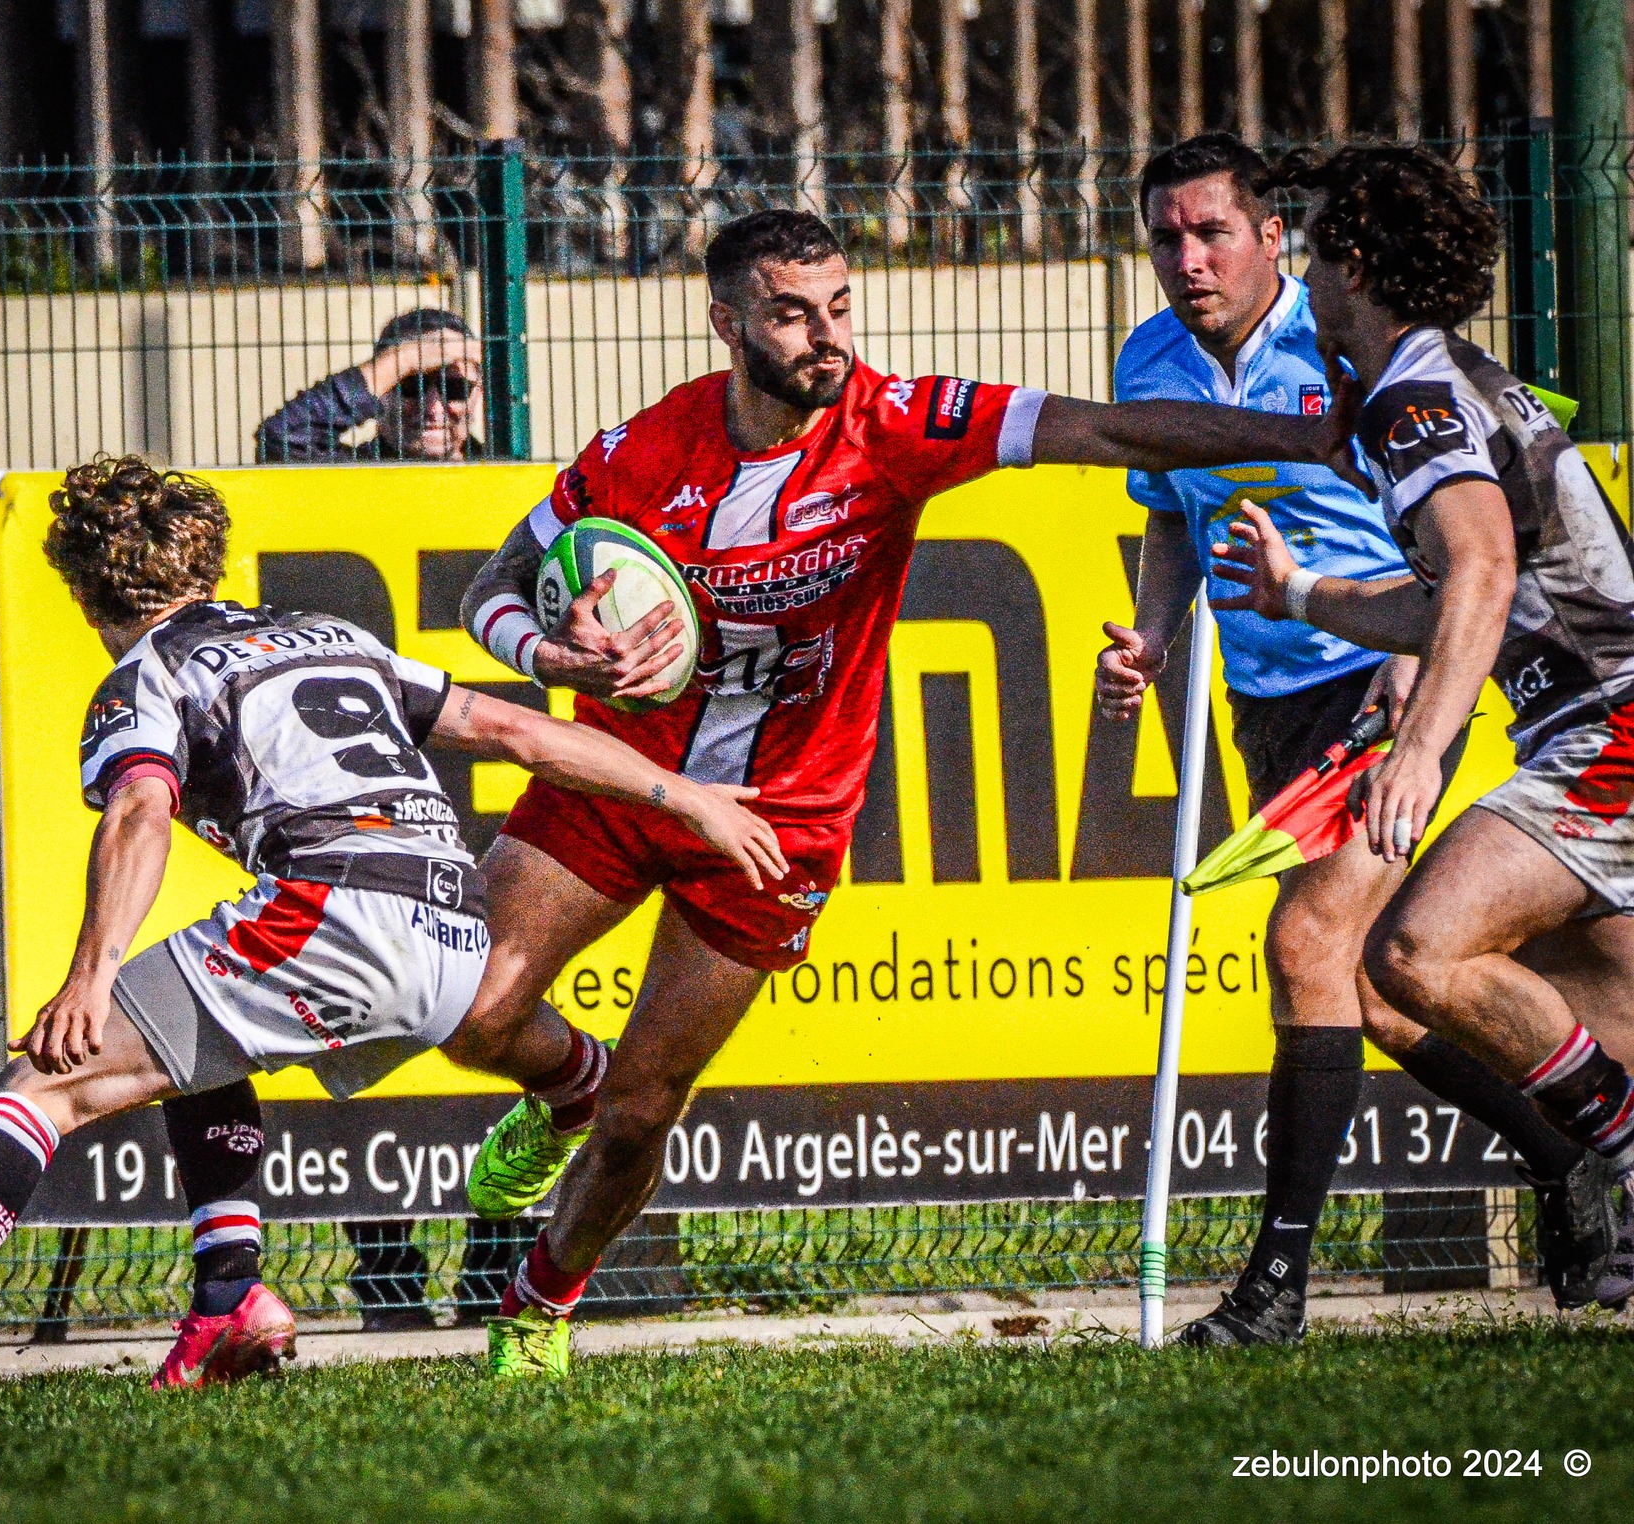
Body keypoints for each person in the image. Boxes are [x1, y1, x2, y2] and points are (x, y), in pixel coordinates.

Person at [453, 207, 1375, 1377]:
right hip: (623, 781)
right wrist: (555, 653)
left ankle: (538, 1306)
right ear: (728, 321)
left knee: (645, 1110)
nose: (824, 337)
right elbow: (502, 578)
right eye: (791, 313)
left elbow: (1104, 429)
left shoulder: (894, 424)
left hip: (775, 826)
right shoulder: (645, 448)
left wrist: (1298, 436)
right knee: (476, 1007)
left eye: (838, 307)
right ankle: (556, 1087)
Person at [0, 454, 783, 1396]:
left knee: (42, 1089)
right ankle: (249, 1282)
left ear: (87, 587)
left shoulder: (146, 672)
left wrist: (87, 976)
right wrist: (682, 793)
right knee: (196, 1043)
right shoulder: (326, 634)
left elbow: (140, 810)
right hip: (456, 924)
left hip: (333, 907)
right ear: (207, 564)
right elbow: (507, 727)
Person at [1098, 134, 1615, 1345]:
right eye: (1164, 236)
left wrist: (1411, 679)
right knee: (1383, 997)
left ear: (1281, 240)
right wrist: (1160, 635)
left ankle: (1273, 1289)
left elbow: (1469, 542)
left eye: (1211, 230)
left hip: (1384, 685)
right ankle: (1568, 1158)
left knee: (1306, 939)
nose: (1187, 258)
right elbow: (1172, 519)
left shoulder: (1360, 358)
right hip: (1271, 695)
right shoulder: (1148, 357)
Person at [257, 305, 509, 1330]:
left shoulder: (512, 478)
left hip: (489, 784)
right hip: (370, 805)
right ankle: (389, 1282)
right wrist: (397, 362)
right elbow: (280, 443)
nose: (438, 407)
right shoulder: (341, 474)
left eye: (456, 387)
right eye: (417, 387)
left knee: (502, 1042)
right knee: (364, 1045)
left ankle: (494, 1272)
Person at [256, 309, 483, 464]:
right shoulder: (358, 470)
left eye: (456, 389)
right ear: (380, 391)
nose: (433, 408)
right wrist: (405, 360)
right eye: (411, 385)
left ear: (478, 394)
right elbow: (281, 438)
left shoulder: (506, 466)